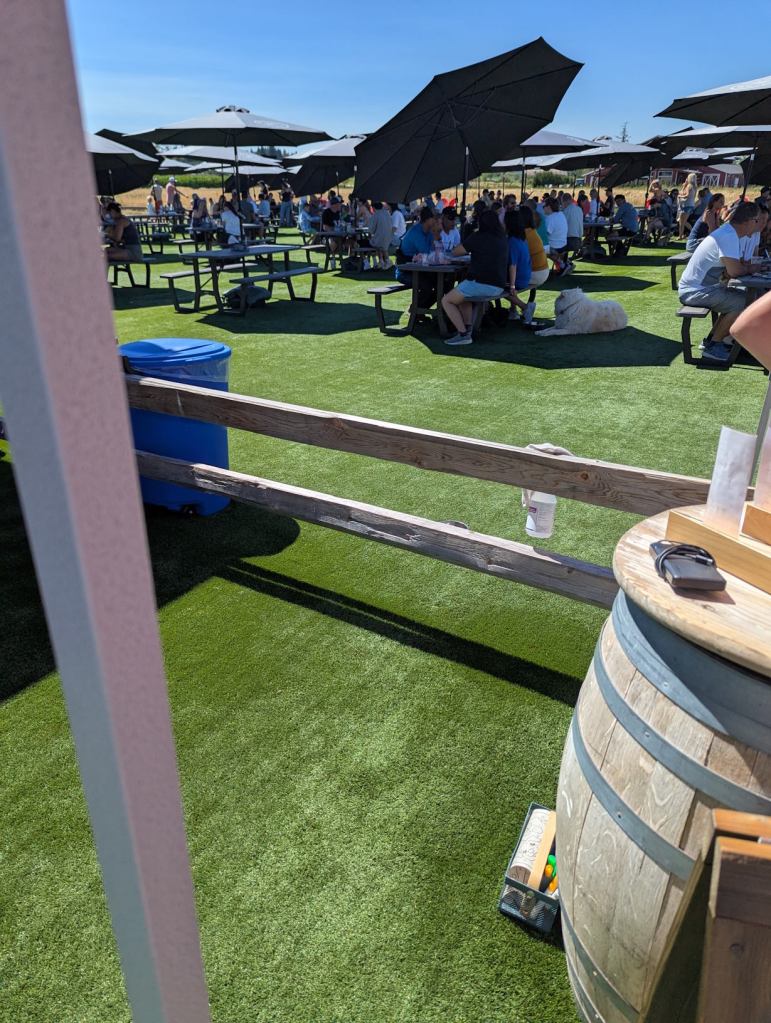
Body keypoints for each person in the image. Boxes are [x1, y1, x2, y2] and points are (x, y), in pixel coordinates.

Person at [678, 201, 762, 362]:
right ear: (749, 221)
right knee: (745, 302)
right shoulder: (729, 236)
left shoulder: (728, 232)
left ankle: (712, 340)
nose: (758, 225)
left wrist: (744, 267)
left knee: (743, 299)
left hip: (700, 288)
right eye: (757, 221)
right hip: (695, 291)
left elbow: (732, 268)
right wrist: (751, 269)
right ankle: (714, 347)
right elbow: (735, 271)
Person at [440, 209, 507, 345]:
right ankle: (467, 329)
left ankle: (463, 334)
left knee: (446, 300)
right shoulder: (502, 238)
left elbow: (456, 251)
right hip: (499, 285)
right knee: (463, 296)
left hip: (481, 283)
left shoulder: (478, 236)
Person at [395, 206, 441, 309]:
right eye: (435, 218)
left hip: (420, 270)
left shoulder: (428, 232)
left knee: (442, 285)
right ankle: (414, 311)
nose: (437, 221)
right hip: (405, 272)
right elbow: (428, 253)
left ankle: (420, 310)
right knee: (428, 286)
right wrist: (436, 236)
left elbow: (434, 253)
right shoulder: (416, 232)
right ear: (428, 219)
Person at [518, 204, 550, 321]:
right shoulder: (531, 231)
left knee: (499, 283)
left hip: (536, 273)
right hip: (543, 270)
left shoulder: (522, 235)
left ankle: (525, 307)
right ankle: (513, 311)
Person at [504, 209, 533, 322]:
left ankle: (525, 307)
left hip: (519, 279)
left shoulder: (511, 241)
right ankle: (513, 311)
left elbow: (513, 265)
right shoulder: (522, 239)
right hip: (525, 276)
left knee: (494, 286)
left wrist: (512, 286)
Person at [542, 197, 571, 274]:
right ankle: (566, 263)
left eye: (543, 206)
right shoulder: (561, 214)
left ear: (548, 207)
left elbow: (545, 235)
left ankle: (562, 264)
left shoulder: (550, 219)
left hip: (555, 247)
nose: (543, 208)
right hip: (563, 245)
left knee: (539, 248)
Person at [368, 201, 393, 270]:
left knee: (373, 241)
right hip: (389, 237)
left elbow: (371, 230)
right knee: (378, 241)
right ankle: (382, 261)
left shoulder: (375, 215)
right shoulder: (387, 213)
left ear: (373, 208)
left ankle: (384, 261)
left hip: (380, 240)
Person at [677, 172, 698, 239]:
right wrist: (684, 186)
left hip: (686, 205)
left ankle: (681, 236)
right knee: (684, 221)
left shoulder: (689, 186)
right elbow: (693, 196)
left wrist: (679, 196)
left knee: (681, 221)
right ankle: (692, 232)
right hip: (691, 204)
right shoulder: (695, 187)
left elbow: (686, 195)